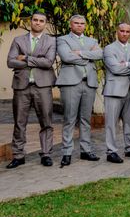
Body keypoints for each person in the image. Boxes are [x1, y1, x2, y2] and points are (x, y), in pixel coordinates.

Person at [6, 12, 57, 168]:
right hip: (22, 86)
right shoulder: (18, 40)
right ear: (30, 22)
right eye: (35, 20)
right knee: (19, 122)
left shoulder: (51, 40)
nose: (38, 23)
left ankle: (46, 154)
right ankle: (18, 155)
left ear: (45, 23)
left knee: (46, 122)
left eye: (41, 21)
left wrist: (26, 58)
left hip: (43, 86)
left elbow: (48, 62)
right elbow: (10, 62)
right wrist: (37, 60)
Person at [56, 14, 103, 166]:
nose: (79, 25)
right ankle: (67, 153)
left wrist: (79, 53)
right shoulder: (63, 39)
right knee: (69, 119)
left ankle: (85, 150)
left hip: (88, 83)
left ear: (85, 25)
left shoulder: (92, 40)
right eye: (76, 23)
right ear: (71, 25)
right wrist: (89, 56)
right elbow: (66, 57)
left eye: (82, 23)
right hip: (70, 83)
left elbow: (100, 54)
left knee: (85, 119)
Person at [102, 22, 130, 163]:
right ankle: (111, 151)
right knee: (111, 123)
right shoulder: (109, 49)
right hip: (113, 91)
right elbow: (115, 69)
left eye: (127, 31)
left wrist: (125, 64)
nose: (125, 34)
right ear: (117, 32)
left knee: (129, 122)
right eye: (122, 31)